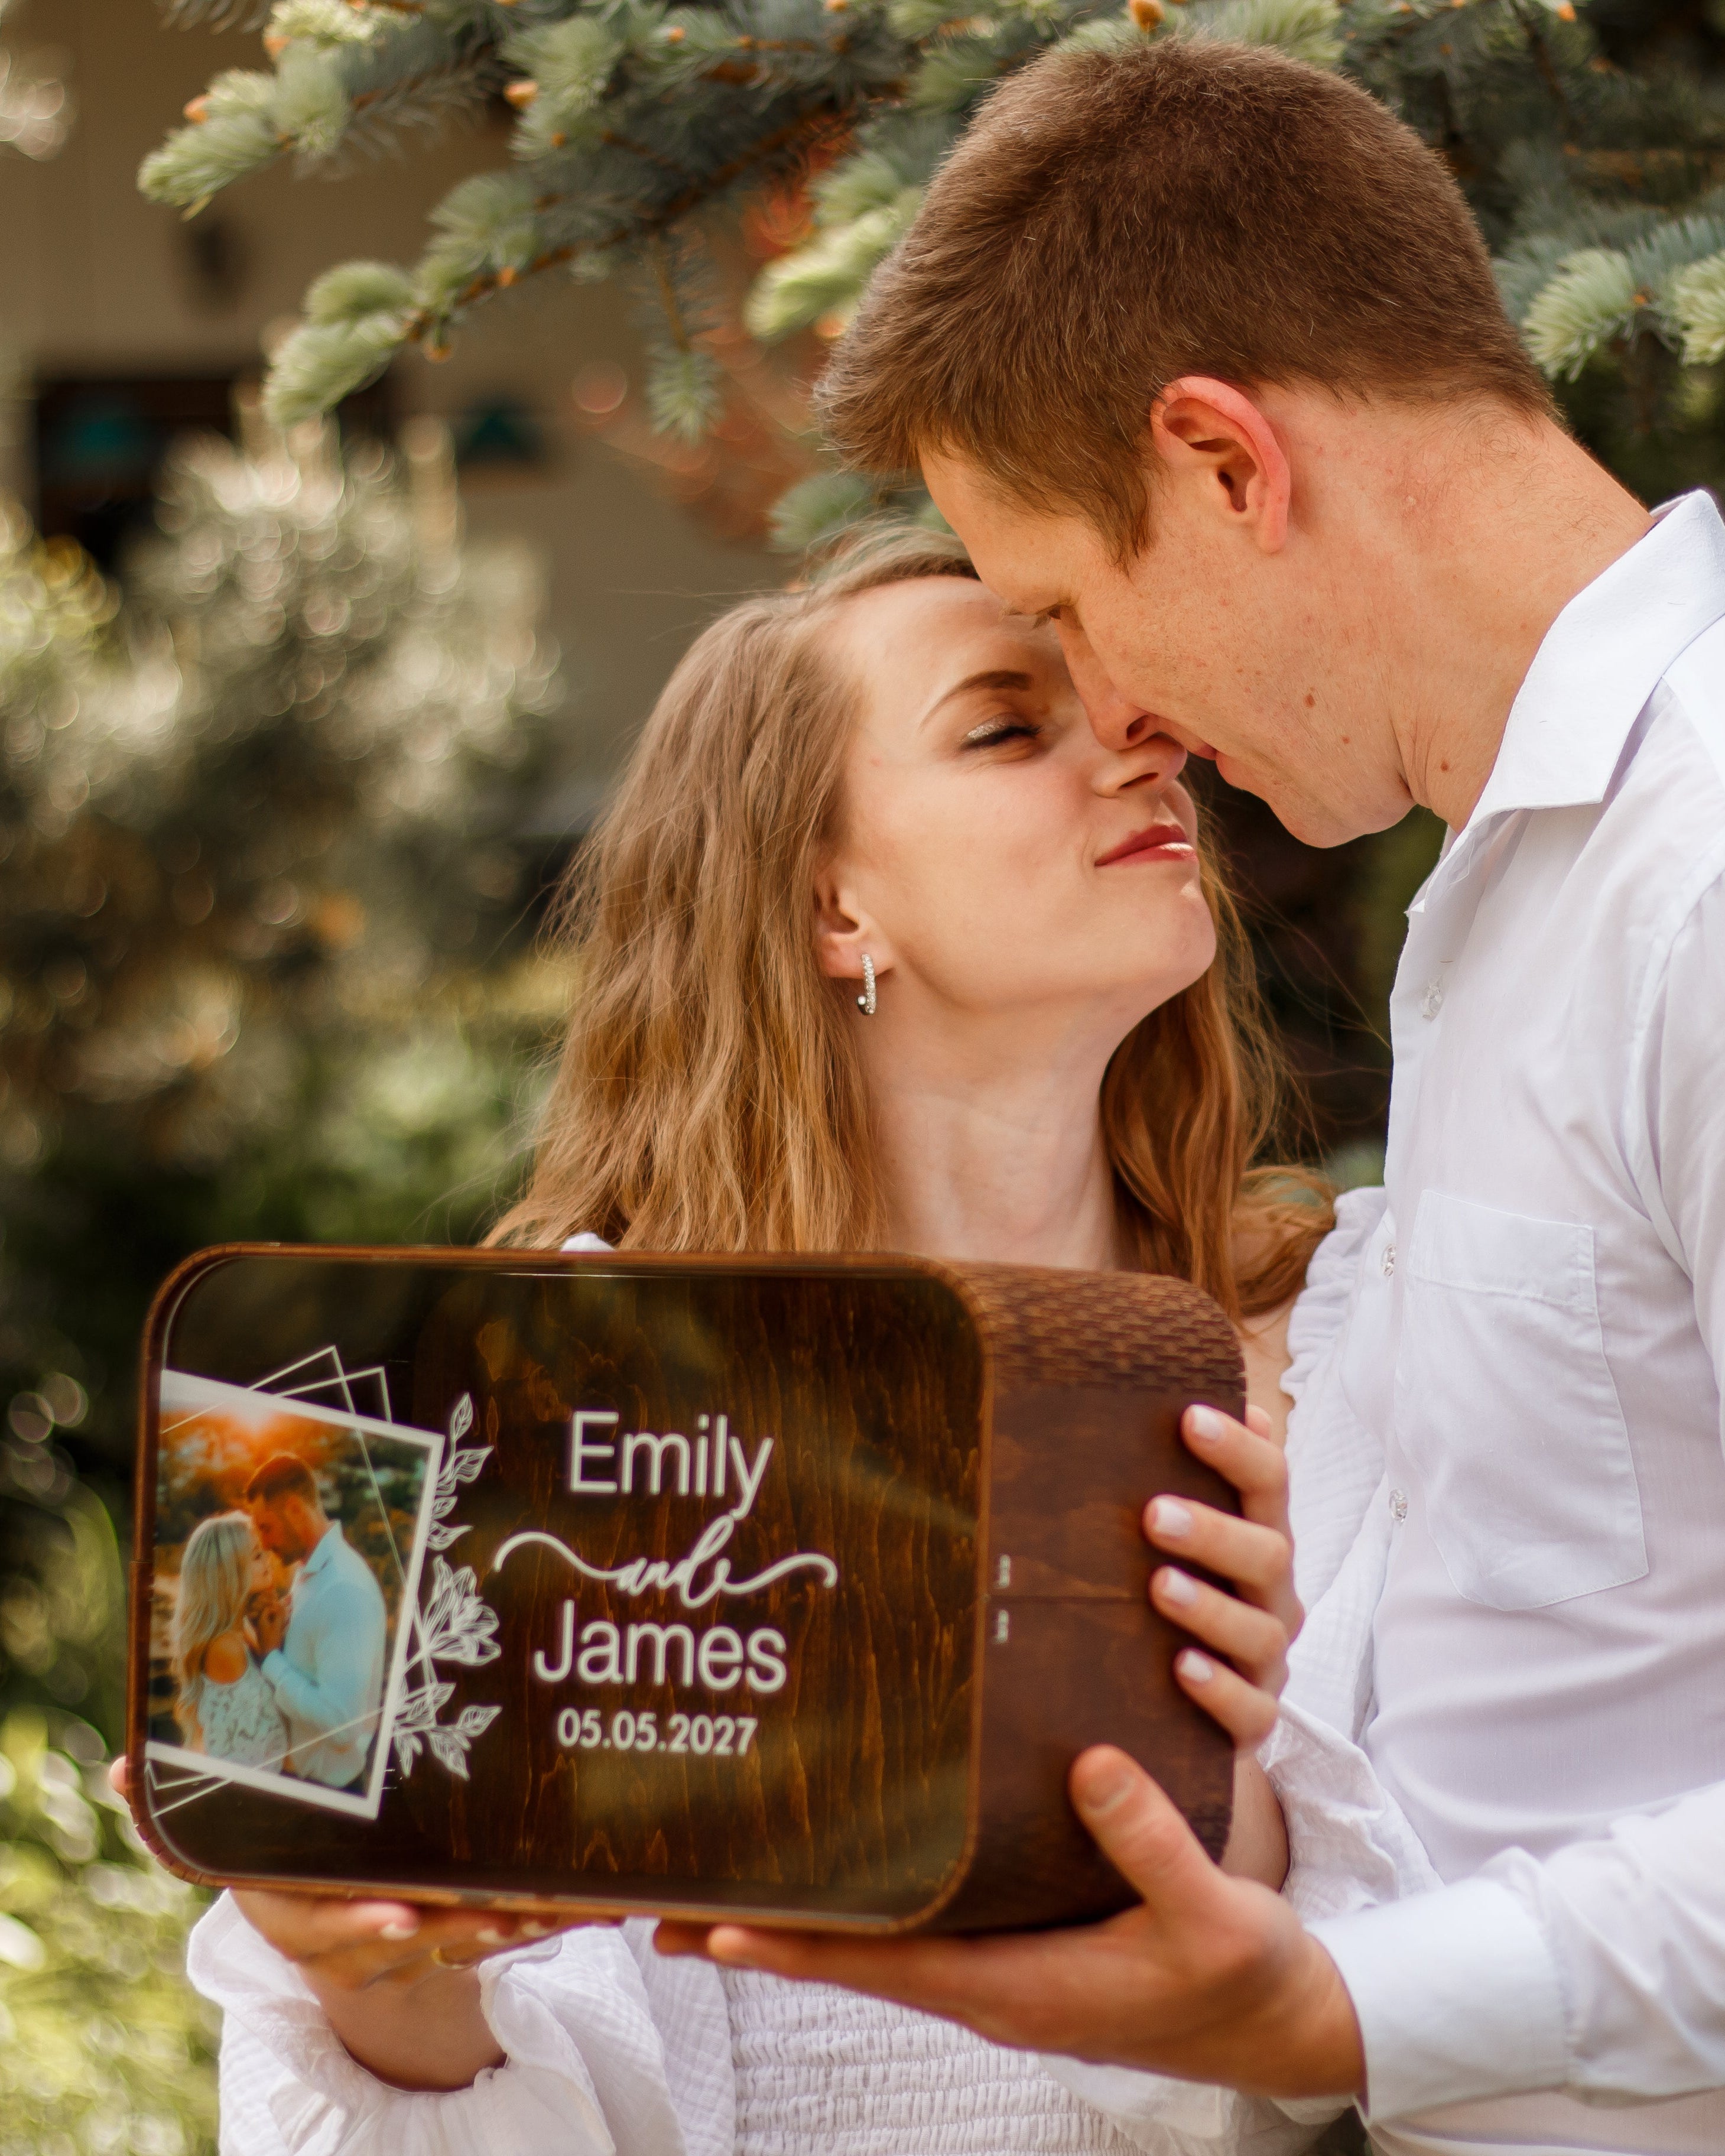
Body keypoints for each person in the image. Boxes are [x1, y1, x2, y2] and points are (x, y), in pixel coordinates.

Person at [667, 33, 1725, 2156]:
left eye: (1072, 609)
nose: (1125, 721)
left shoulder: (1695, 874)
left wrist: (1334, 2003)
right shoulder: (1509, 896)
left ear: (1224, 464)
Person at [178, 534, 1417, 2155]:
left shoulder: (1355, 1342)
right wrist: (365, 1966)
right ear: (832, 904)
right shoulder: (564, 1393)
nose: (1142, 740)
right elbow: (503, 2072)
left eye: (1116, 701)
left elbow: (1425, 2028)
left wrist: (1220, 1750)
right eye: (1002, 723)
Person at [245, 1453, 388, 1794]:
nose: (263, 1543)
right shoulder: (308, 1571)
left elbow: (343, 1726)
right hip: (304, 1780)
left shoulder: (343, 1590)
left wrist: (271, 1661)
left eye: (266, 1527)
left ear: (295, 1510)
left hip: (333, 1792)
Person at [170, 1511, 290, 1770]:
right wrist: (271, 1653)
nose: (267, 1559)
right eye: (257, 1555)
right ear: (230, 1573)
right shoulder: (225, 1648)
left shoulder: (241, 1631)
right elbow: (261, 1741)